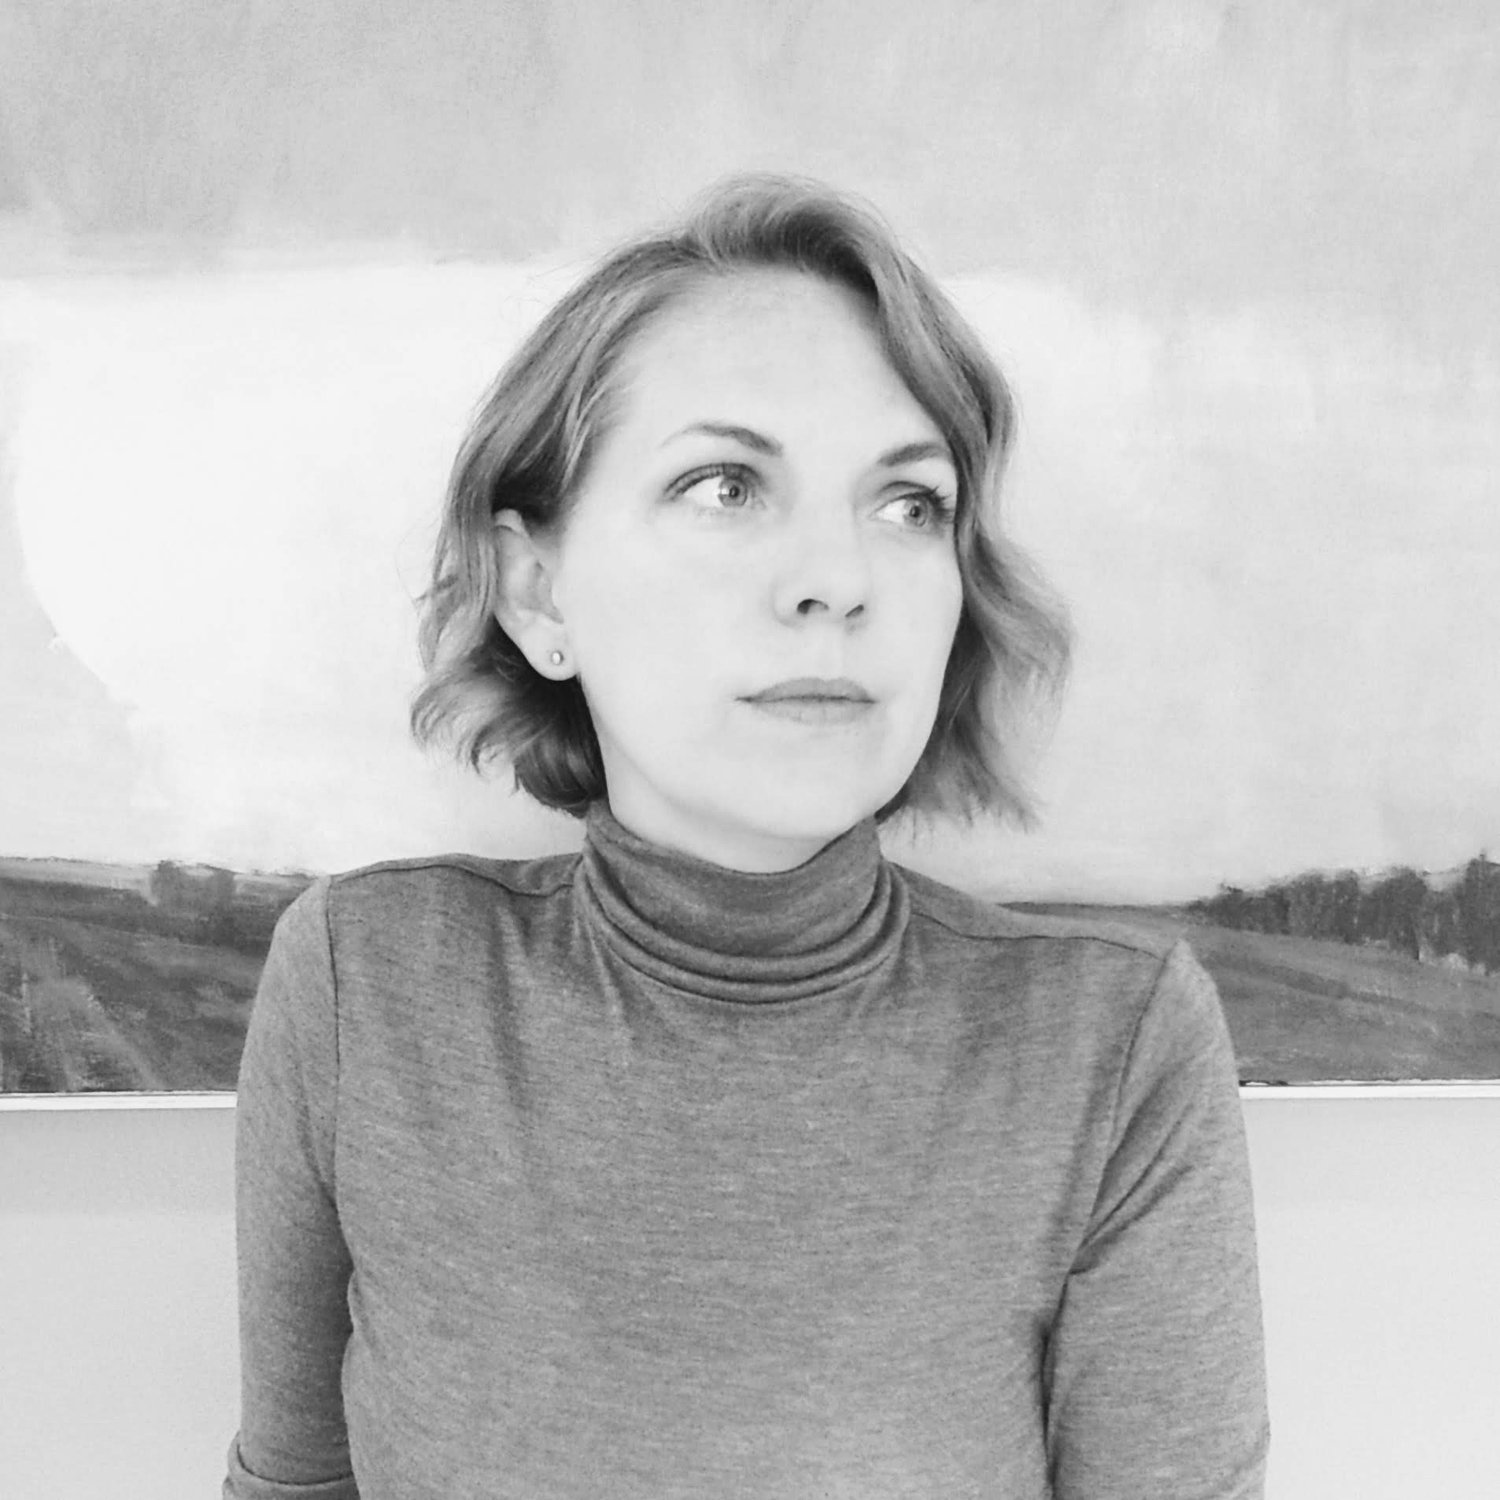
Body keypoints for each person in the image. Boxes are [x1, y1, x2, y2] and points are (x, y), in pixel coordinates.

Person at [224, 174, 1269, 1499]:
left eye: (910, 504)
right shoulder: (363, 986)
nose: (837, 578)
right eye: (725, 485)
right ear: (538, 590)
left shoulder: (1113, 1046)